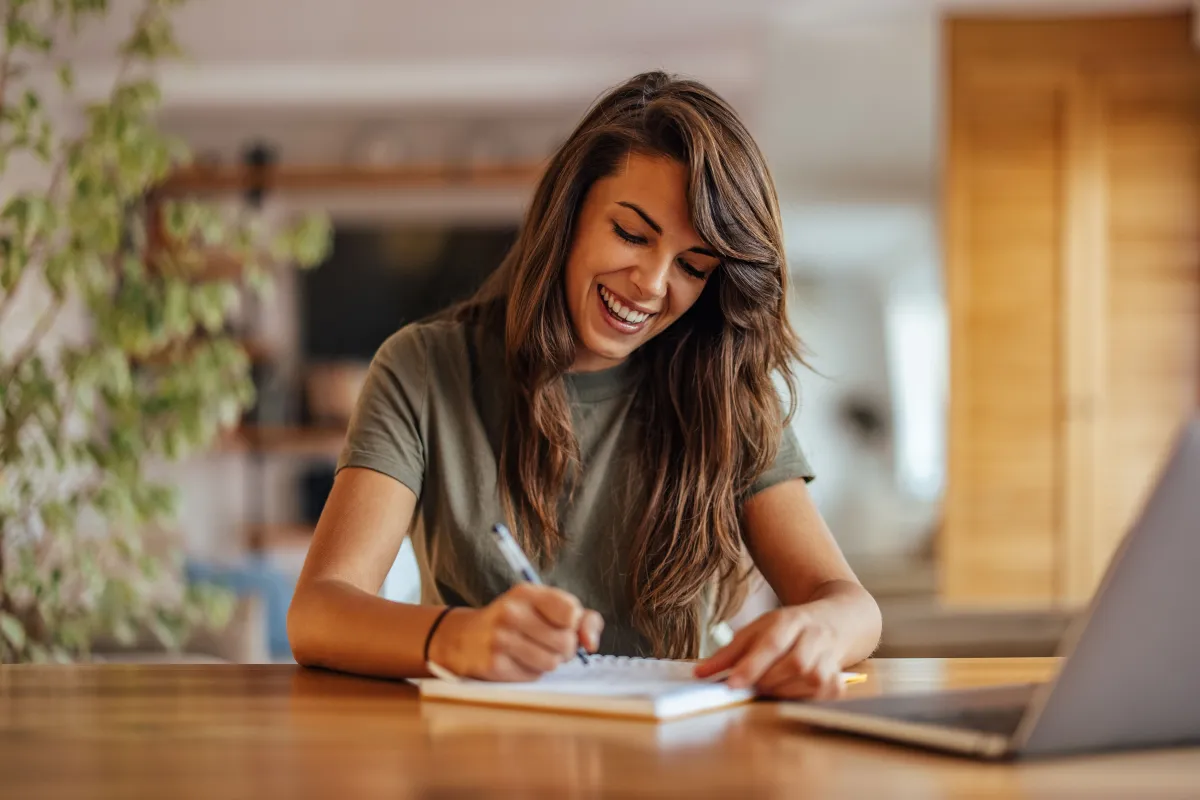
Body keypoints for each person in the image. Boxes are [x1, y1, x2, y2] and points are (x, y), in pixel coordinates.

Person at [287, 71, 882, 700]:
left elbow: (850, 605)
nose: (652, 284)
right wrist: (457, 638)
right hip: (482, 753)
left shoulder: (729, 395)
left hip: (683, 752)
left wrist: (816, 629)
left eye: (692, 265)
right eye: (631, 233)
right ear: (568, 215)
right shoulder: (423, 370)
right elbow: (319, 612)